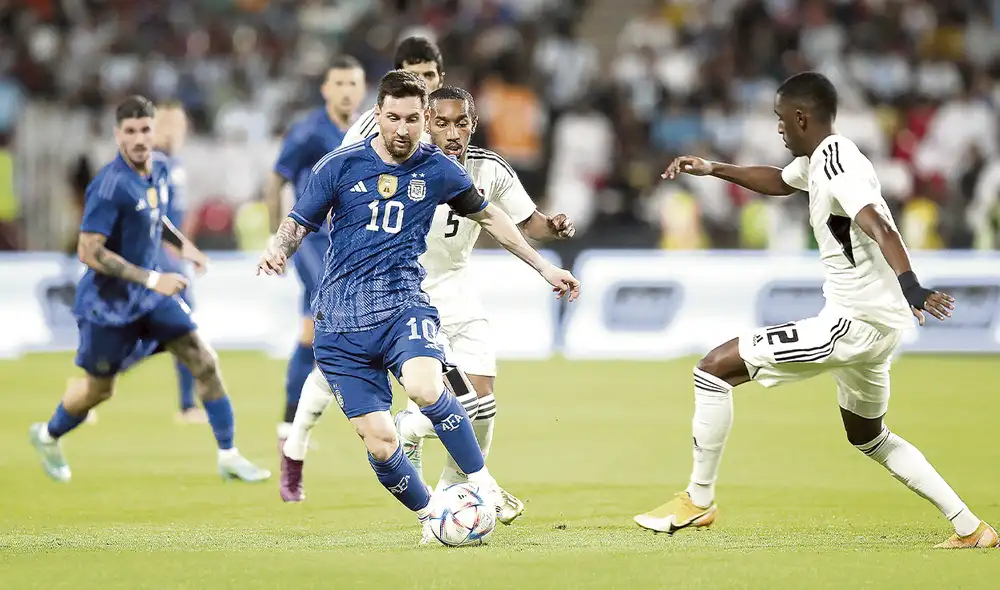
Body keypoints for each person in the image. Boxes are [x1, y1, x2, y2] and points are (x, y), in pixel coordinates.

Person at [633, 72, 997, 549]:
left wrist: (913, 286)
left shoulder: (837, 165)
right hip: (879, 327)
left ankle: (698, 500)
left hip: (852, 323)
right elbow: (780, 182)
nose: (779, 129)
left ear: (801, 117)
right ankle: (971, 527)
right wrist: (712, 168)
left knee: (713, 369)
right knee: (869, 436)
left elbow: (881, 225)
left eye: (781, 119)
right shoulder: (824, 157)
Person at [257, 71, 580, 541]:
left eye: (412, 119)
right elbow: (297, 221)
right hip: (343, 321)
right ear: (379, 117)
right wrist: (278, 250)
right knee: (382, 442)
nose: (403, 129)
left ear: (422, 119)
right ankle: (433, 513)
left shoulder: (439, 168)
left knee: (429, 389)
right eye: (394, 118)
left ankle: (483, 486)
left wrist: (545, 268)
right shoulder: (339, 165)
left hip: (404, 305)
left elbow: (493, 216)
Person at [27, 96, 270, 484]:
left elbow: (156, 220)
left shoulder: (156, 171)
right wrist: (153, 278)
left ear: (154, 131)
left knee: (203, 359)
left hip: (151, 298)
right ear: (117, 135)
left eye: (145, 129)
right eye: (130, 131)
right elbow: (89, 252)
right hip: (108, 306)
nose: (139, 138)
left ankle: (229, 455)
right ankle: (48, 434)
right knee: (98, 390)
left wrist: (184, 247)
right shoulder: (108, 186)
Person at [392, 86, 576, 525]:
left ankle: (452, 498)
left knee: (485, 408)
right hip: (410, 296)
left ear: (473, 125)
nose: (452, 133)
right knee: (466, 400)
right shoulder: (401, 166)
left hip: (459, 291)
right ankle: (425, 440)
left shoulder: (488, 168)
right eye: (442, 123)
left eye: (461, 123)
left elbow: (525, 222)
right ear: (426, 123)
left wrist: (552, 226)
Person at [277, 35, 446, 500]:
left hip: (418, 260)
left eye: (430, 76)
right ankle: (294, 441)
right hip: (354, 258)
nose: (424, 84)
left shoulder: (446, 122)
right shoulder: (363, 131)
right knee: (323, 340)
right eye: (415, 76)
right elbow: (334, 180)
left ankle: (415, 448)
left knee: (431, 370)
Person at [263, 56, 366, 450]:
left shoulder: (364, 131)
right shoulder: (308, 131)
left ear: (361, 90)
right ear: (325, 89)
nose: (345, 91)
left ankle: (291, 425)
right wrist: (279, 237)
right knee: (332, 314)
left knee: (311, 331)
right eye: (338, 83)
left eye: (352, 83)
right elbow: (277, 179)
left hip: (348, 244)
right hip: (312, 241)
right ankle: (309, 420)